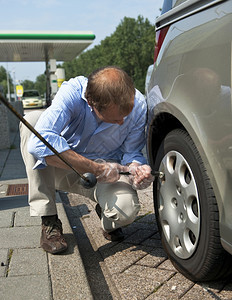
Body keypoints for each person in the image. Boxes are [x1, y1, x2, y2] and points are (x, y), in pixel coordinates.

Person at [20, 66, 154, 254]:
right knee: (32, 123)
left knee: (126, 210)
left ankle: (107, 222)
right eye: (116, 119)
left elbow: (132, 152)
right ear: (91, 102)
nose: (122, 123)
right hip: (62, 167)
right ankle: (48, 217)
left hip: (109, 174)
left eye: (125, 116)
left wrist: (136, 169)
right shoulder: (73, 91)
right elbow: (39, 144)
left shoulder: (139, 106)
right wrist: (97, 168)